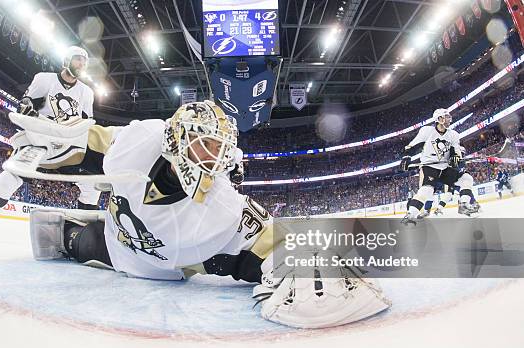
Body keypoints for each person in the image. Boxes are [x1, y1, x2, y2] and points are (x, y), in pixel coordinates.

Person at [26, 100, 390, 329]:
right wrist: (61, 146)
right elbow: (96, 142)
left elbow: (268, 239)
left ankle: (72, 235)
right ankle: (68, 233)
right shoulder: (144, 138)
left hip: (149, 266)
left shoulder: (222, 207)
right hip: (118, 235)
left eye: (220, 149)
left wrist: (300, 261)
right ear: (175, 141)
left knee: (79, 242)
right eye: (205, 145)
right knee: (66, 239)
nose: (213, 159)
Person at [0, 46, 100, 235]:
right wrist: (27, 108)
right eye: (77, 59)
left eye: (84, 60)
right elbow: (25, 103)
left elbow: (85, 124)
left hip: (67, 148)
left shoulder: (86, 92)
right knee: (8, 178)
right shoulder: (44, 79)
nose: (81, 63)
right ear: (66, 60)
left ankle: (81, 231)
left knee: (92, 185)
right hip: (39, 143)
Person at [400, 108, 479, 224]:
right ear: (439, 119)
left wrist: (456, 159)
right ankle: (410, 214)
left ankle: (464, 204)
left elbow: (455, 152)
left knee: (467, 179)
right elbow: (411, 146)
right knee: (427, 190)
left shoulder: (453, 135)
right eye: (446, 117)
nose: (449, 119)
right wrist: (406, 157)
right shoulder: (427, 131)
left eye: (448, 117)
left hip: (445, 168)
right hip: (429, 167)